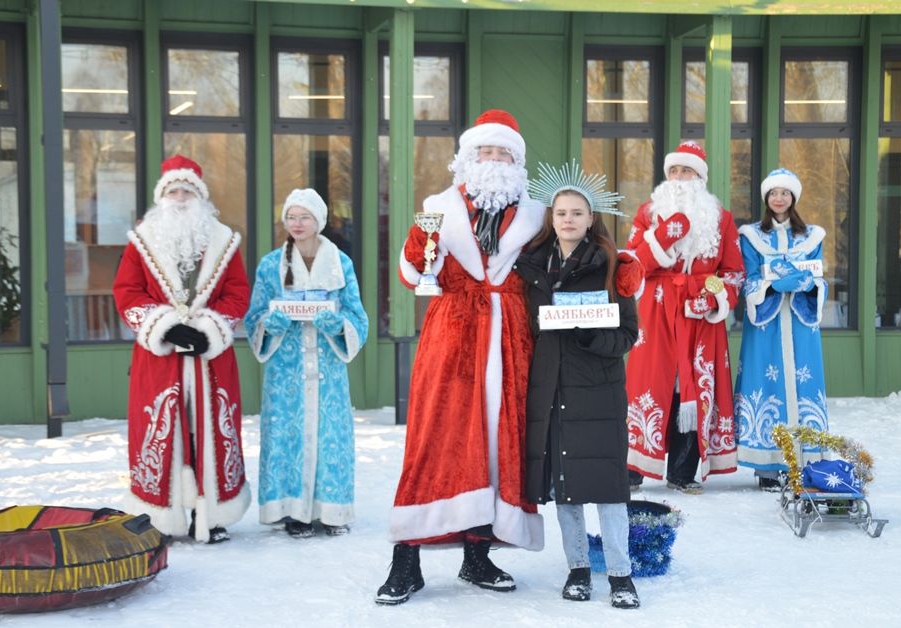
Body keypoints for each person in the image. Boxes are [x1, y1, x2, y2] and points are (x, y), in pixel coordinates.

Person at [374, 110, 546, 606]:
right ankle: (406, 559)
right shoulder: (439, 209)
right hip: (452, 339)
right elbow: (411, 275)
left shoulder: (537, 216)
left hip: (511, 340)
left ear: (517, 162)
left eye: (502, 153)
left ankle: (478, 554)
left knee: (496, 445)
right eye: (484, 152)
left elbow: (566, 266)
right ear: (467, 160)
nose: (493, 161)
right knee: (436, 441)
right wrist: (419, 245)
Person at [515, 162, 642, 608]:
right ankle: (578, 569)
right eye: (561, 212)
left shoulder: (613, 266)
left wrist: (591, 335)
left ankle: (621, 576)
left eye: (577, 212)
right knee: (566, 487)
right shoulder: (530, 269)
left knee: (607, 489)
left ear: (591, 219)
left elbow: (628, 334)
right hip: (551, 388)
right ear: (551, 218)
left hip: (598, 389)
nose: (568, 219)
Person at [113, 155, 251, 544]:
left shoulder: (223, 239)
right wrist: (165, 327)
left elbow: (238, 292)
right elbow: (127, 291)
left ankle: (211, 514)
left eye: (187, 191)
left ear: (201, 197)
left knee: (209, 430)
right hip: (160, 358)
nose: (180, 198)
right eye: (173, 191)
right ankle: (161, 515)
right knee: (162, 430)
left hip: (211, 359)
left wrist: (212, 329)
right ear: (162, 196)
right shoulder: (142, 239)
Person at [244, 188, 369, 537]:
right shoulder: (271, 265)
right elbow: (253, 317)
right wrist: (271, 325)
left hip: (328, 369)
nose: (297, 224)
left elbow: (357, 315)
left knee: (331, 437)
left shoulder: (340, 263)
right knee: (286, 435)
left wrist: (337, 325)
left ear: (319, 221)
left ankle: (332, 511)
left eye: (305, 217)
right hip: (286, 370)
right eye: (291, 217)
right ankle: (293, 512)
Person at [625, 141, 745, 494]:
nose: (679, 177)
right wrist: (662, 238)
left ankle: (682, 470)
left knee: (692, 387)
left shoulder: (721, 219)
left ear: (700, 178)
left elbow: (733, 272)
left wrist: (710, 298)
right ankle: (633, 468)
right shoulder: (648, 213)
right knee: (647, 384)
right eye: (674, 171)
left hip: (699, 318)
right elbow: (630, 267)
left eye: (687, 171)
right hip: (657, 312)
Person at [734, 169, 829, 490]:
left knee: (803, 384)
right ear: (766, 198)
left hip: (800, 322)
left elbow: (817, 276)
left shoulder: (812, 236)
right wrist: (775, 282)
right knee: (765, 381)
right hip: (766, 322)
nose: (779, 198)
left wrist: (805, 282)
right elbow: (748, 278)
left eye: (785, 193)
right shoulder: (750, 236)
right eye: (773, 193)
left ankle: (802, 461)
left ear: (793, 198)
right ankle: (767, 466)